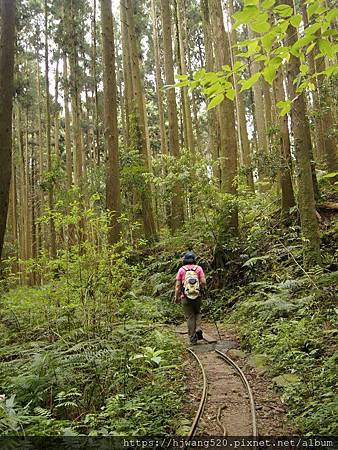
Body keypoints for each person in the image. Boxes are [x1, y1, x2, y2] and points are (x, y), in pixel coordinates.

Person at [175, 251, 207, 344]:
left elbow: (177, 286)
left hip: (185, 297)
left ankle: (193, 339)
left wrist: (176, 297)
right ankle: (198, 328)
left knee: (190, 317)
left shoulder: (181, 270)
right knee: (197, 313)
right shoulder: (199, 268)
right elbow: (203, 282)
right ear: (194, 260)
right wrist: (203, 290)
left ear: (185, 260)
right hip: (197, 295)